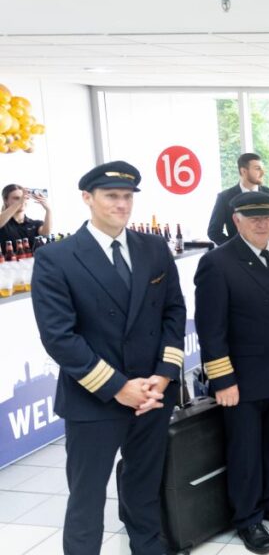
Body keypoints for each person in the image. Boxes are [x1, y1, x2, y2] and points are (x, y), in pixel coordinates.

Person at [31, 161, 185, 555]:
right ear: (87, 198)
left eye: (128, 196)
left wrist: (163, 378)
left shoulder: (153, 248)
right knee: (87, 499)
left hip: (151, 394)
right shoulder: (58, 257)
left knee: (144, 487)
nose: (122, 204)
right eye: (111, 196)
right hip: (94, 399)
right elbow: (59, 337)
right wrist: (119, 388)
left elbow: (173, 311)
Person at [194, 191, 269, 554]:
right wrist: (222, 378)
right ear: (236, 220)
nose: (262, 223)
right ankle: (247, 518)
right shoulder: (218, 262)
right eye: (253, 217)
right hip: (241, 377)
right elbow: (211, 329)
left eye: (268, 216)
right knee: (244, 451)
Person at [207, 153, 269, 245]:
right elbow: (214, 231)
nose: (262, 172)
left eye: (262, 168)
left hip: (267, 253)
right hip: (237, 257)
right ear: (244, 171)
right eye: (257, 168)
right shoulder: (224, 197)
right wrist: (234, 248)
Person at [1, 184, 51, 248]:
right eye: (16, 198)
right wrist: (20, 201)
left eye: (25, 198)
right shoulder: (4, 224)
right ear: (6, 201)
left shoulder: (35, 223)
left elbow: (45, 233)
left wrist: (48, 210)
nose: (23, 200)